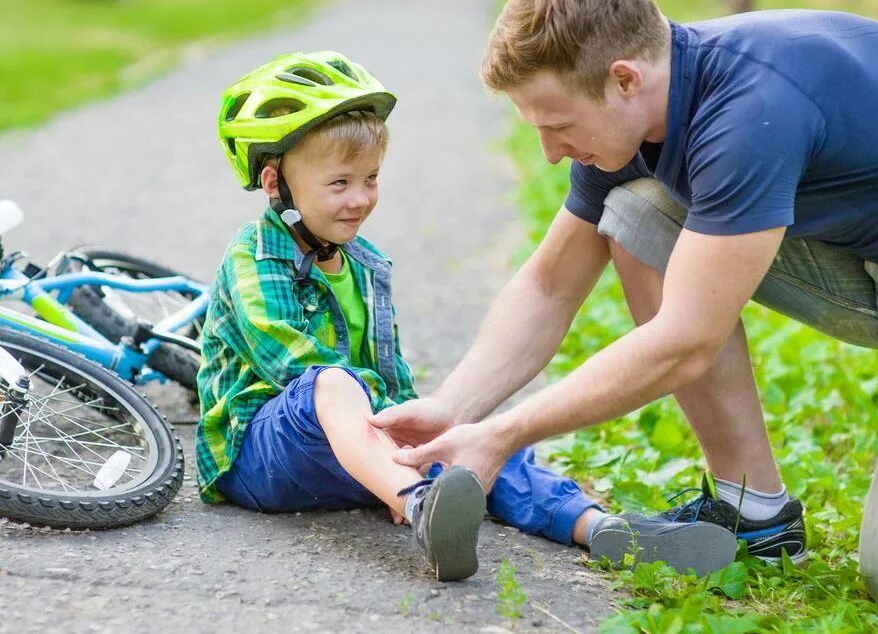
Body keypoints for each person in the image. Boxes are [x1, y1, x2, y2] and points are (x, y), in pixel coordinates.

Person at [370, 0, 878, 614]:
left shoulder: (748, 110)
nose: (552, 152)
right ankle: (752, 508)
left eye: (558, 124)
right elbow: (552, 283)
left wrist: (502, 434)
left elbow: (686, 341)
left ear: (623, 79)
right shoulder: (642, 113)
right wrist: (456, 407)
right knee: (639, 211)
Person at [195, 50, 737, 582]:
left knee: (471, 441)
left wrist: (418, 435)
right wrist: (396, 446)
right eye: (339, 183)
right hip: (260, 455)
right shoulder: (254, 256)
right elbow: (291, 362)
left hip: (357, 451)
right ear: (274, 183)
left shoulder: (364, 262)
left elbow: (388, 371)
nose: (360, 199)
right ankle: (419, 504)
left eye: (372, 179)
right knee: (332, 383)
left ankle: (601, 529)